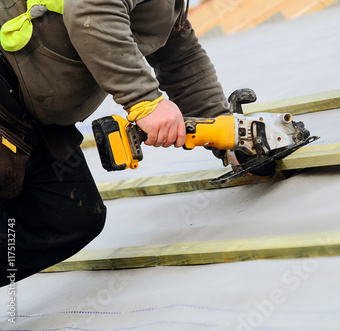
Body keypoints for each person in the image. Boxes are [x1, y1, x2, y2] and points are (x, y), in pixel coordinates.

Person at [0, 0, 229, 287]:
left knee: (70, 220)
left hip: (33, 118)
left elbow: (179, 57)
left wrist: (229, 136)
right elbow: (90, 10)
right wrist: (144, 99)